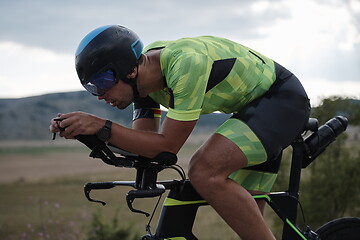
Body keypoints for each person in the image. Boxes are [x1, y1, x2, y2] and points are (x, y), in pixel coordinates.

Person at [50, 25, 310, 240]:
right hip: (252, 111)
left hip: (281, 99)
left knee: (203, 170)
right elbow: (144, 147)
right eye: (92, 87)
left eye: (103, 82)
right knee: (251, 228)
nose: (100, 95)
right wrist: (88, 133)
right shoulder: (143, 83)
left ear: (129, 69)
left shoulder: (185, 65)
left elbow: (166, 147)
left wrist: (101, 125)